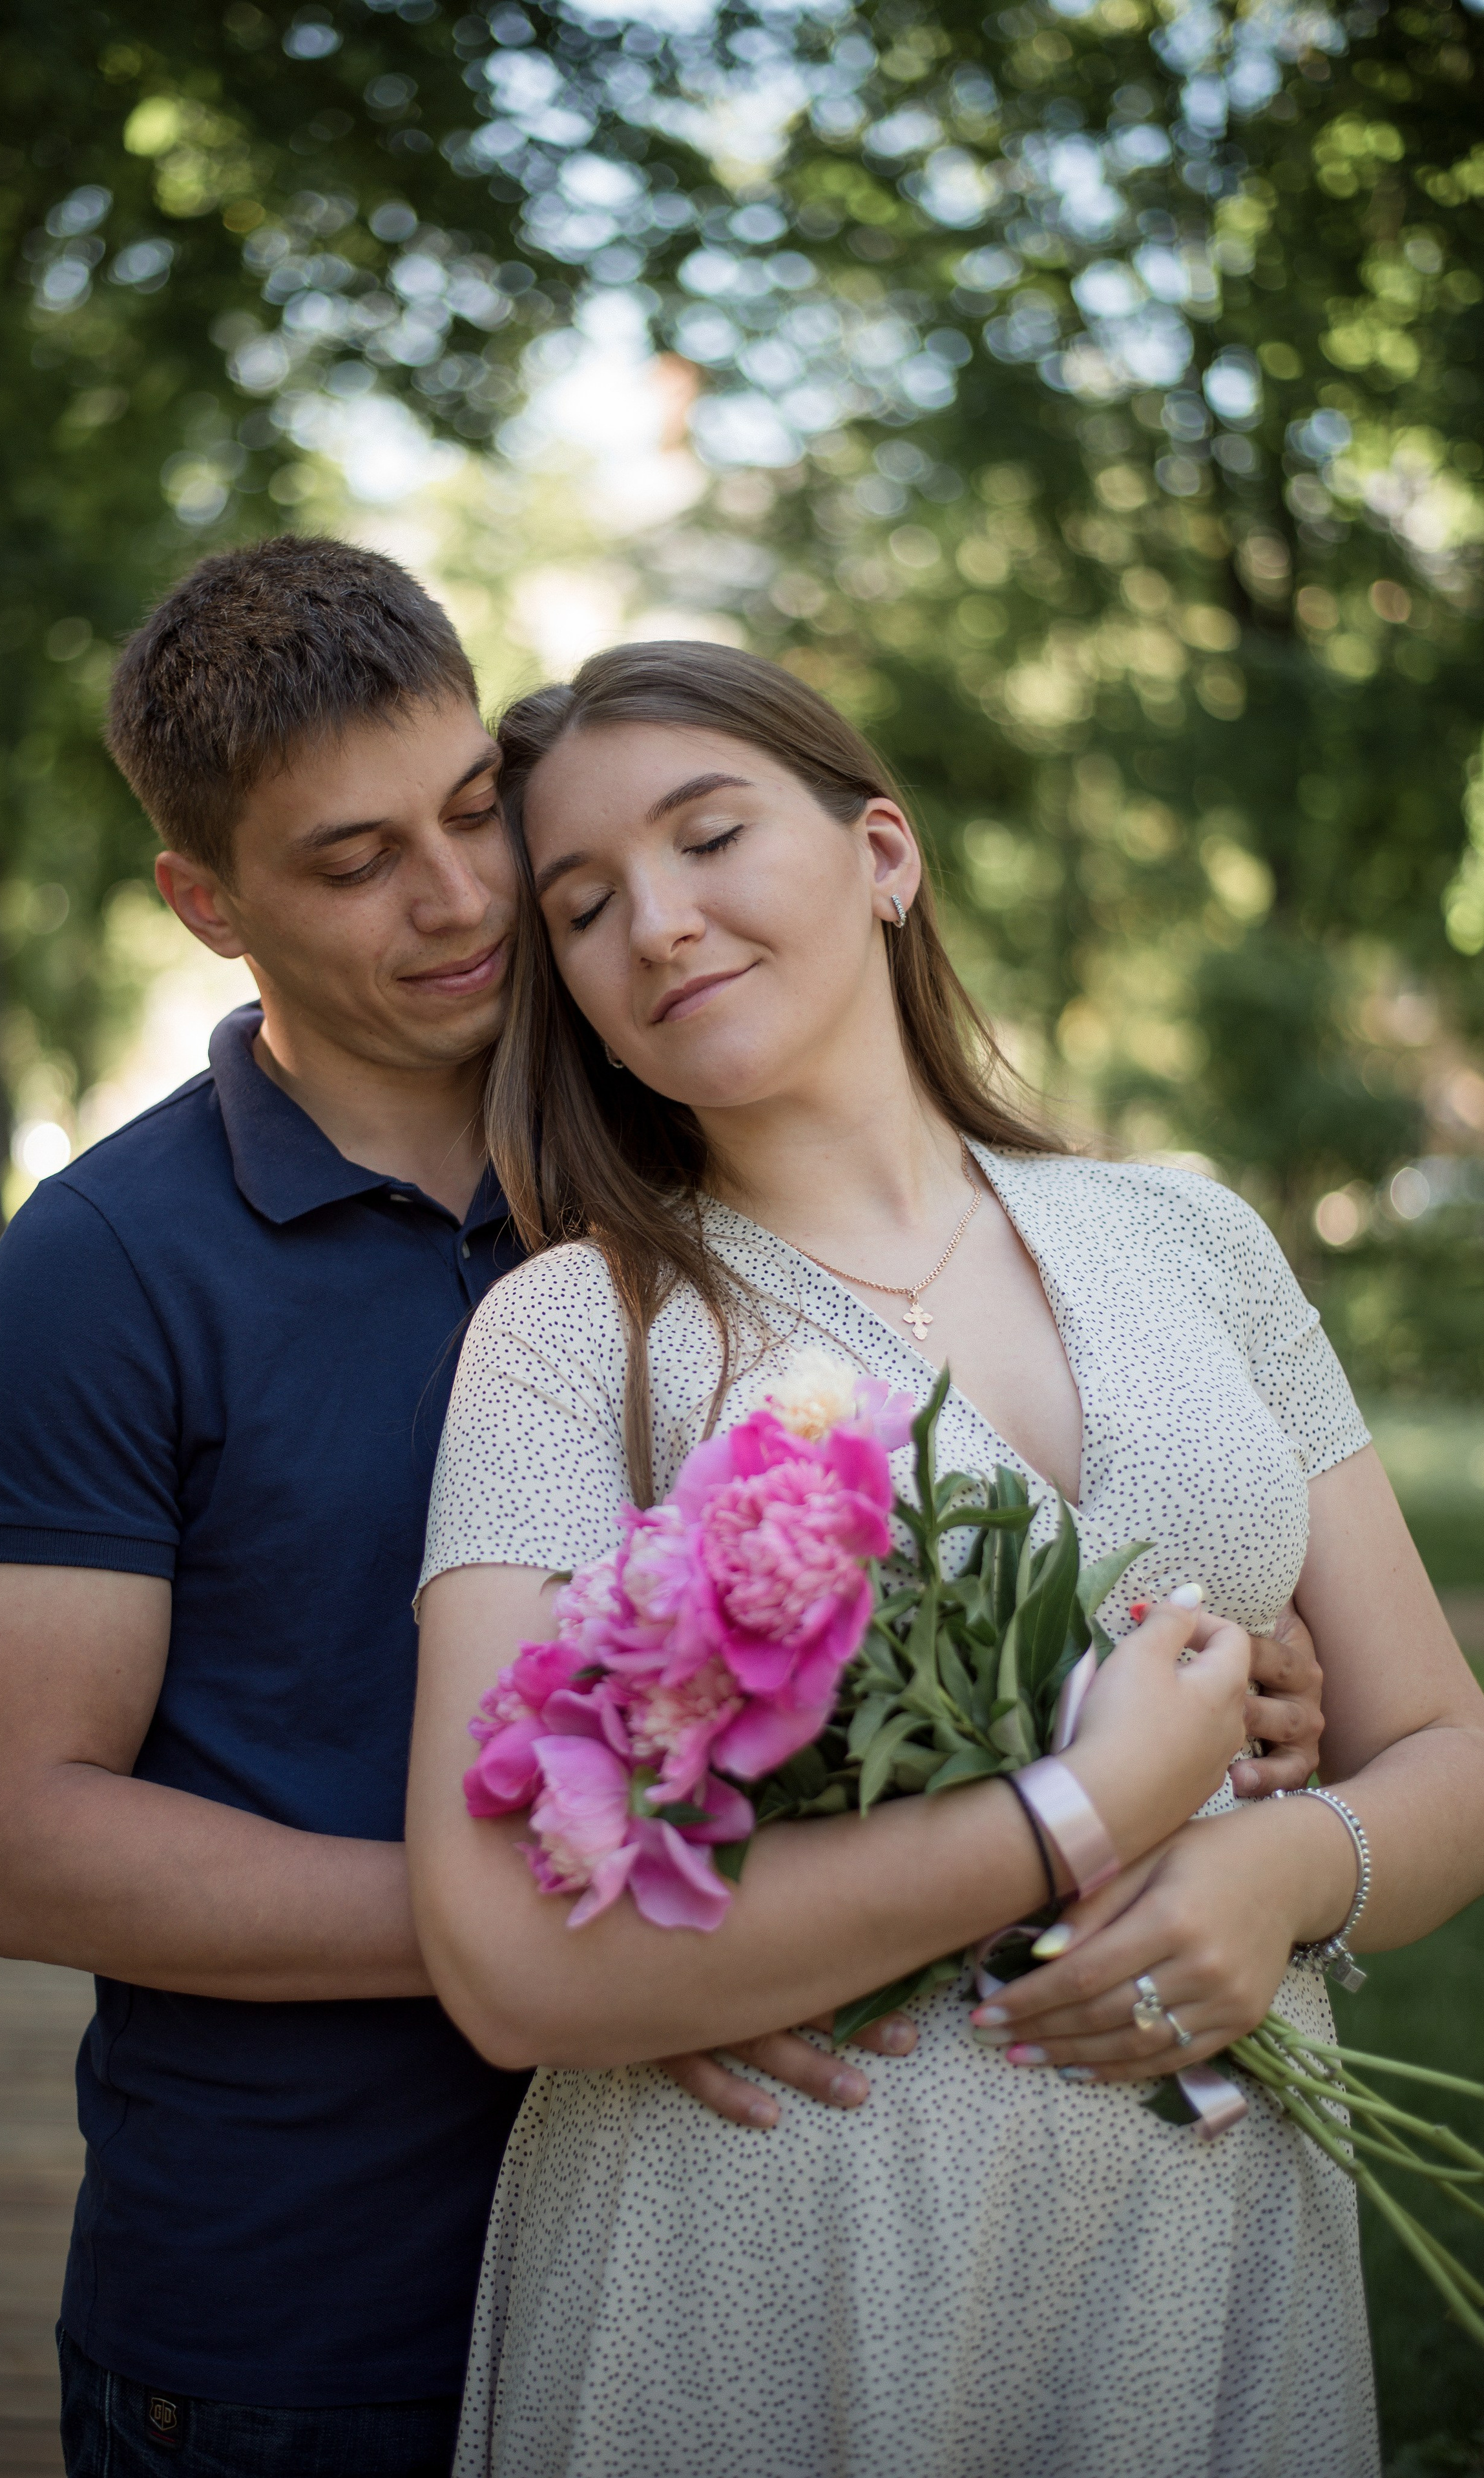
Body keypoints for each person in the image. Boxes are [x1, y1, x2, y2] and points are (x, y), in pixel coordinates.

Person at [408, 642, 1484, 2478]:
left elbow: (1447, 1744)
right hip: (771, 2253)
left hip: (1197, 2232)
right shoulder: (572, 1330)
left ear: (885, 854)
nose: (655, 922)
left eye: (711, 835)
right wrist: (1075, 1813)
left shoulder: (1191, 1235)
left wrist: (1289, 1870)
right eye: (583, 908)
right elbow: (505, 1960)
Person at [0, 541, 912, 2478]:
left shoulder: (679, 1161)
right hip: (305, 2319)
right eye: (352, 858)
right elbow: (28, 1843)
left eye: (474, 809)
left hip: (729, 2263)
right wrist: (588, 1937)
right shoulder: (105, 1268)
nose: (460, 898)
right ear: (205, 904)